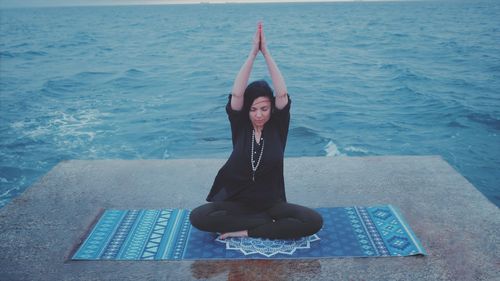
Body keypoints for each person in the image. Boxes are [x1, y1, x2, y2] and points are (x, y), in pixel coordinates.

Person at [189, 22, 323, 240]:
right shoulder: (241, 126)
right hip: (239, 204)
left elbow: (281, 95)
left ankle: (246, 231)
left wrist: (266, 52)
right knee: (199, 216)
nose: (258, 114)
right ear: (247, 111)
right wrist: (253, 53)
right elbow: (237, 94)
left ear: (271, 109)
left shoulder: (278, 128)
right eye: (253, 109)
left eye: (264, 108)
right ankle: (267, 227)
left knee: (314, 221)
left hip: (272, 205)